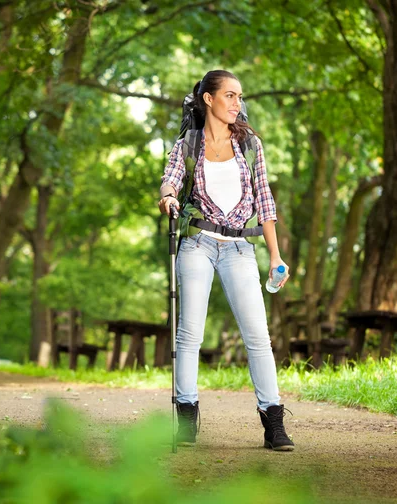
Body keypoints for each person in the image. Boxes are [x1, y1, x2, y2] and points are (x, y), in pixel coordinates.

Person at [158, 70, 294, 451]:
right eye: (230, 96)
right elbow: (170, 179)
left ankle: (274, 424)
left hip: (239, 248)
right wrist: (168, 197)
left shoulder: (251, 145)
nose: (237, 103)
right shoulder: (188, 143)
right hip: (198, 243)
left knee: (258, 338)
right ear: (209, 99)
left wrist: (276, 256)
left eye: (238, 97)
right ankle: (186, 419)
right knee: (189, 336)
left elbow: (265, 201)